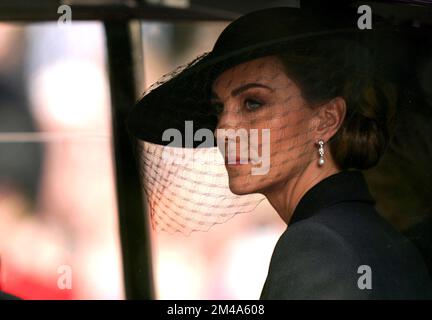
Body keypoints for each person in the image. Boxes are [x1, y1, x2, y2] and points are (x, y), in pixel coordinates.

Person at [127, 6, 432, 299]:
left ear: (325, 119)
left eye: (253, 103)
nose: (222, 130)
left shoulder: (316, 245)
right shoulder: (380, 237)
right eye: (219, 109)